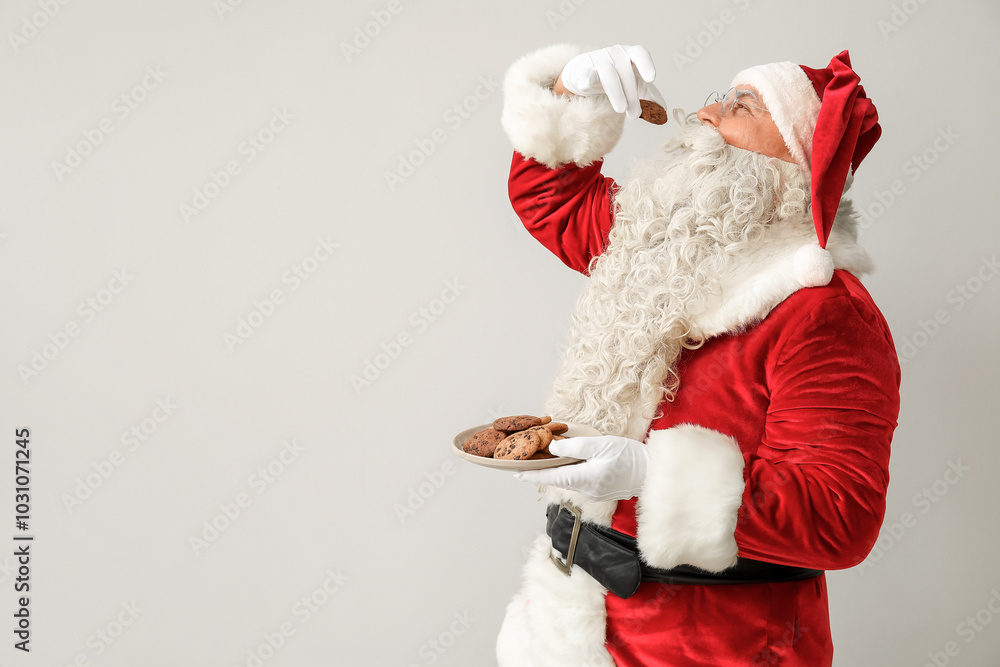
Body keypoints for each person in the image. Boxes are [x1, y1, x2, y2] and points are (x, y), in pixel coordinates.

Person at [494, 44, 901, 667]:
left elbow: (839, 515)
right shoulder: (664, 242)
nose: (706, 113)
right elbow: (557, 201)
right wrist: (571, 100)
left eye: (741, 107)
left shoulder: (825, 312)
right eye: (719, 95)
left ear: (795, 162)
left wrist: (647, 476)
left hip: (716, 646)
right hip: (570, 622)